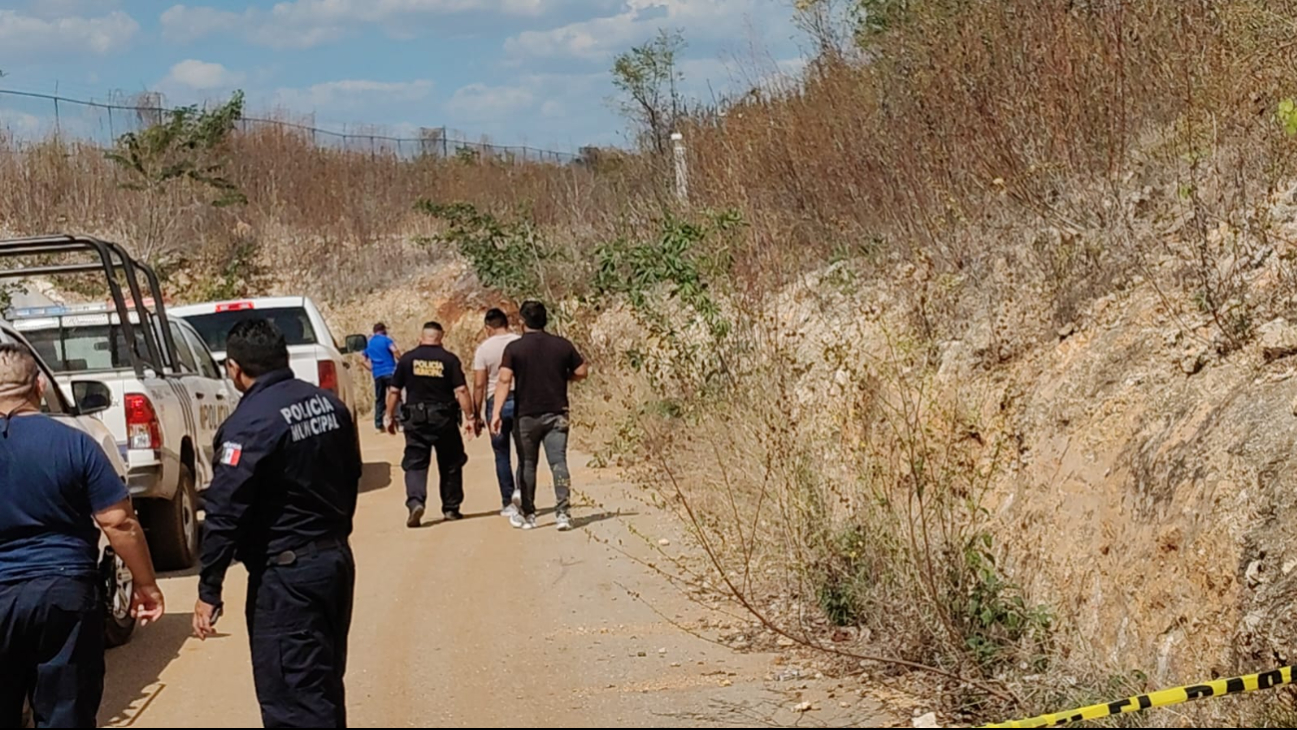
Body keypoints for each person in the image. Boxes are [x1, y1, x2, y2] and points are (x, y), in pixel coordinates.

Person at [193, 319, 362, 729]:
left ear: (234, 368)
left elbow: (224, 511)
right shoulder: (328, 405)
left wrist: (209, 588)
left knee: (294, 701)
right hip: (333, 562)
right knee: (321, 688)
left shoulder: (250, 423)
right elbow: (351, 474)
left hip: (288, 578)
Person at [0, 343, 164, 728]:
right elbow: (119, 523)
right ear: (39, 387)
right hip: (64, 593)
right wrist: (146, 585)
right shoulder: (75, 442)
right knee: (66, 714)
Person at [490, 301, 588, 532]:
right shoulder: (562, 345)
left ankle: (529, 514)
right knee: (558, 462)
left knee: (527, 464)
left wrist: (496, 412)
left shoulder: (515, 348)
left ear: (522, 322)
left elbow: (504, 380)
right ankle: (563, 513)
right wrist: (564, 378)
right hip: (557, 412)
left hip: (526, 414)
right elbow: (582, 371)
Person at [386, 322, 476, 528]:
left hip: (415, 420)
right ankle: (451, 508)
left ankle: (416, 502)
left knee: (416, 462)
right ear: (440, 338)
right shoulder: (449, 359)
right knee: (451, 463)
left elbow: (394, 391)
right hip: (444, 419)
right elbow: (461, 390)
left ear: (421, 336)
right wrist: (470, 416)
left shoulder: (407, 359)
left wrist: (389, 416)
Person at [472, 308, 522, 517]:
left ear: (487, 328)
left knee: (501, 454)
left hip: (495, 402)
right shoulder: (519, 342)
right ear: (507, 323)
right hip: (521, 399)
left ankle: (508, 501)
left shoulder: (484, 349)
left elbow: (479, 384)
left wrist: (475, 414)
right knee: (524, 452)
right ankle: (522, 493)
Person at [360, 323, 401, 434]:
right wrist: (401, 360)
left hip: (378, 374)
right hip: (390, 371)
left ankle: (379, 425)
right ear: (383, 330)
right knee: (395, 395)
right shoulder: (386, 340)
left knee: (380, 398)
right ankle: (399, 422)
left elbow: (362, 360)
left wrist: (372, 368)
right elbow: (394, 351)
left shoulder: (369, 343)